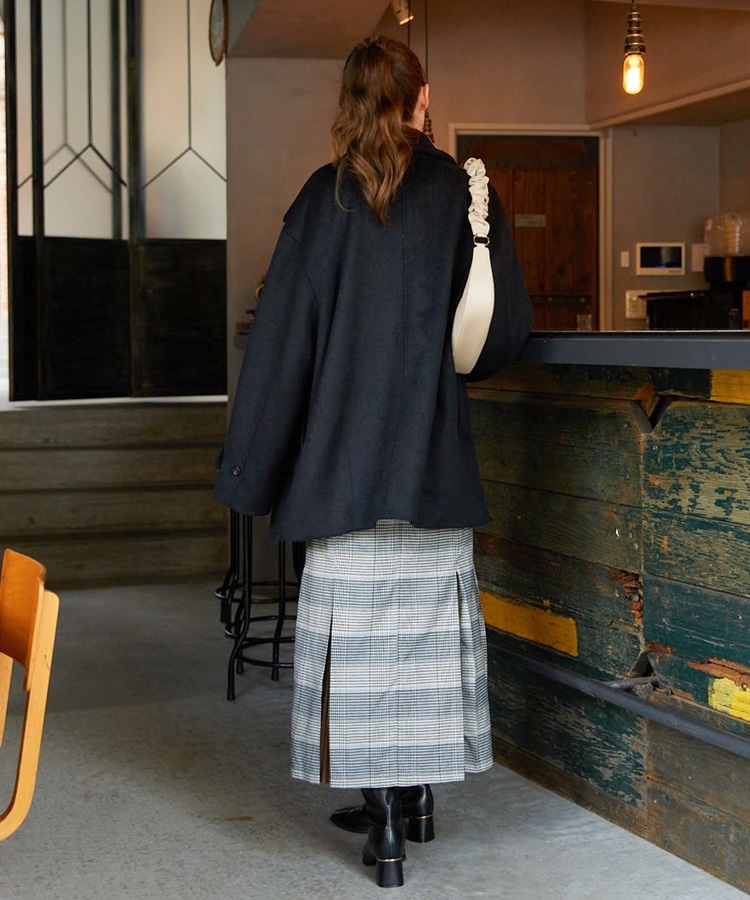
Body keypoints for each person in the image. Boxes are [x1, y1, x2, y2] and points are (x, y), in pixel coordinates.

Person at [214, 35, 533, 889]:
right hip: (432, 461)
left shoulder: (321, 202)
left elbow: (280, 350)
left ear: (348, 103)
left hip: (342, 468)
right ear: (422, 100)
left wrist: (250, 469)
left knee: (360, 654)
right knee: (422, 645)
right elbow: (505, 332)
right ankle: (417, 800)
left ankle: (386, 825)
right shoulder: (464, 194)